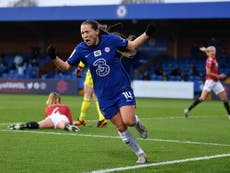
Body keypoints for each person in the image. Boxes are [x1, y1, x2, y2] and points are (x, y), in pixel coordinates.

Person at [47, 20, 156, 163]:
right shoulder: (80, 49)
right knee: (120, 126)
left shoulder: (111, 40)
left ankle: (137, 123)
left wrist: (147, 33)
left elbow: (133, 46)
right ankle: (140, 154)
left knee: (128, 120)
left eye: (87, 32)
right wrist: (53, 57)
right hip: (104, 95)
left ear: (96, 31)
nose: (84, 35)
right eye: (82, 33)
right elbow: (66, 67)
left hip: (121, 87)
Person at [184, 46, 230, 119]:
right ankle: (188, 110)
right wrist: (219, 76)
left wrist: (206, 50)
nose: (213, 52)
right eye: (211, 51)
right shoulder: (209, 60)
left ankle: (229, 114)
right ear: (209, 53)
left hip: (216, 82)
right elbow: (208, 73)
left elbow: (208, 53)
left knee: (225, 98)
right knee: (202, 98)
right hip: (210, 81)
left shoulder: (213, 58)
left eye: (214, 51)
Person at [9, 92, 80, 132]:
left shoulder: (48, 108)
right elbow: (70, 121)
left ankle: (25, 125)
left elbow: (48, 117)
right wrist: (73, 123)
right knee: (63, 124)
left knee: (39, 124)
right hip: (61, 118)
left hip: (51, 118)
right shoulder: (65, 106)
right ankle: (67, 126)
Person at [75, 61, 107, 128]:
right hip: (103, 73)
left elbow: (85, 55)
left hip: (93, 72)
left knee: (87, 95)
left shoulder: (89, 50)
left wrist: (79, 69)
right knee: (96, 96)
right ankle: (102, 118)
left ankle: (81, 119)